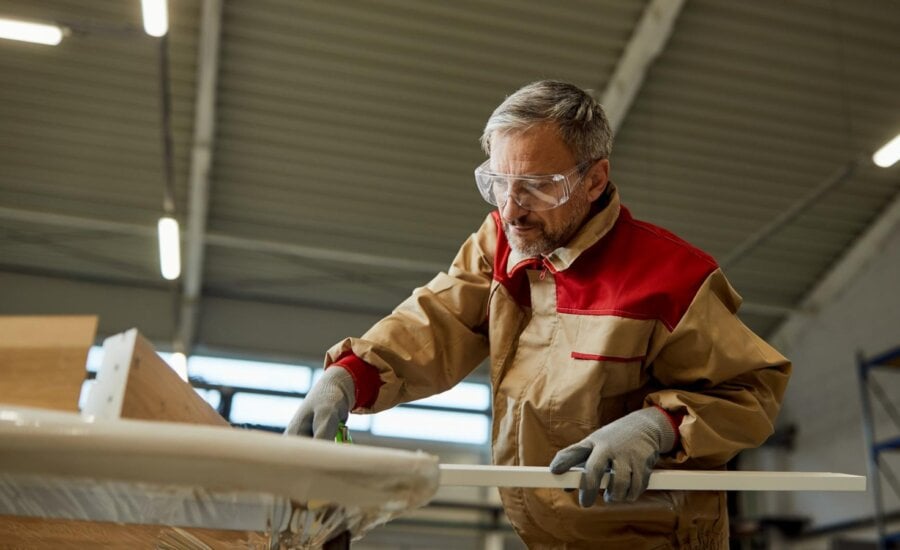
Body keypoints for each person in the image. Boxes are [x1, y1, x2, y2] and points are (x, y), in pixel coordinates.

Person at [286, 80, 791, 549]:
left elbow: (751, 391)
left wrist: (658, 426)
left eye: (537, 186)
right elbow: (438, 317)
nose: (511, 208)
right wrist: (351, 375)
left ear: (595, 180)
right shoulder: (503, 243)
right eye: (499, 183)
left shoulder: (674, 279)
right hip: (544, 534)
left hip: (653, 537)